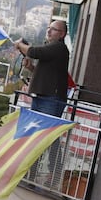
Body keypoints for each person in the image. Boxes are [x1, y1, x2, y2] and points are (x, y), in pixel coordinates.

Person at [14, 20, 69, 186]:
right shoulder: (52, 51)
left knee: (48, 137)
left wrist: (20, 46)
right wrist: (31, 68)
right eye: (48, 28)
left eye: (53, 29)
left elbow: (33, 51)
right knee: (39, 136)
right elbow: (44, 73)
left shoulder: (58, 48)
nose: (49, 31)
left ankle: (53, 173)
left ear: (62, 34)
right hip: (43, 97)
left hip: (50, 99)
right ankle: (32, 173)